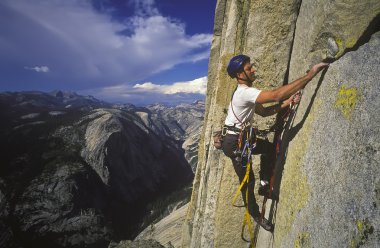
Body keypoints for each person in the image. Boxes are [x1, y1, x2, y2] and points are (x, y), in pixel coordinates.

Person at [222, 54, 328, 232]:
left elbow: (264, 112)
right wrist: (309, 76)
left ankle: (264, 185)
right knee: (247, 182)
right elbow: (275, 95)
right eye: (249, 68)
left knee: (269, 149)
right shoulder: (244, 93)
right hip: (235, 143)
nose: (253, 70)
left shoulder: (246, 93)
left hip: (241, 139)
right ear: (240, 74)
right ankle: (256, 215)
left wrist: (287, 103)